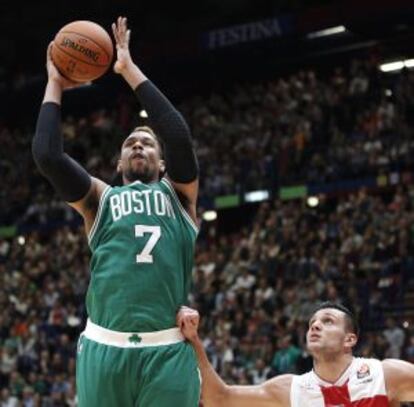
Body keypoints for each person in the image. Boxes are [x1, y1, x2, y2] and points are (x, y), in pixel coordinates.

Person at [32, 16, 200, 407]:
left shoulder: (180, 197)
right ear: (119, 161)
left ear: (162, 164)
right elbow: (47, 156)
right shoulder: (99, 199)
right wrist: (55, 83)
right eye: (130, 143)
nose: (138, 145)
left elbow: (176, 134)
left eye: (146, 143)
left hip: (168, 350)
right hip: (103, 347)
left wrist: (127, 69)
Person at [177, 302, 414, 406]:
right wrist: (194, 339)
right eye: (312, 323)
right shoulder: (290, 389)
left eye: (328, 321)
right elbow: (219, 399)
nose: (315, 326)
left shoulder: (384, 374)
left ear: (349, 339)